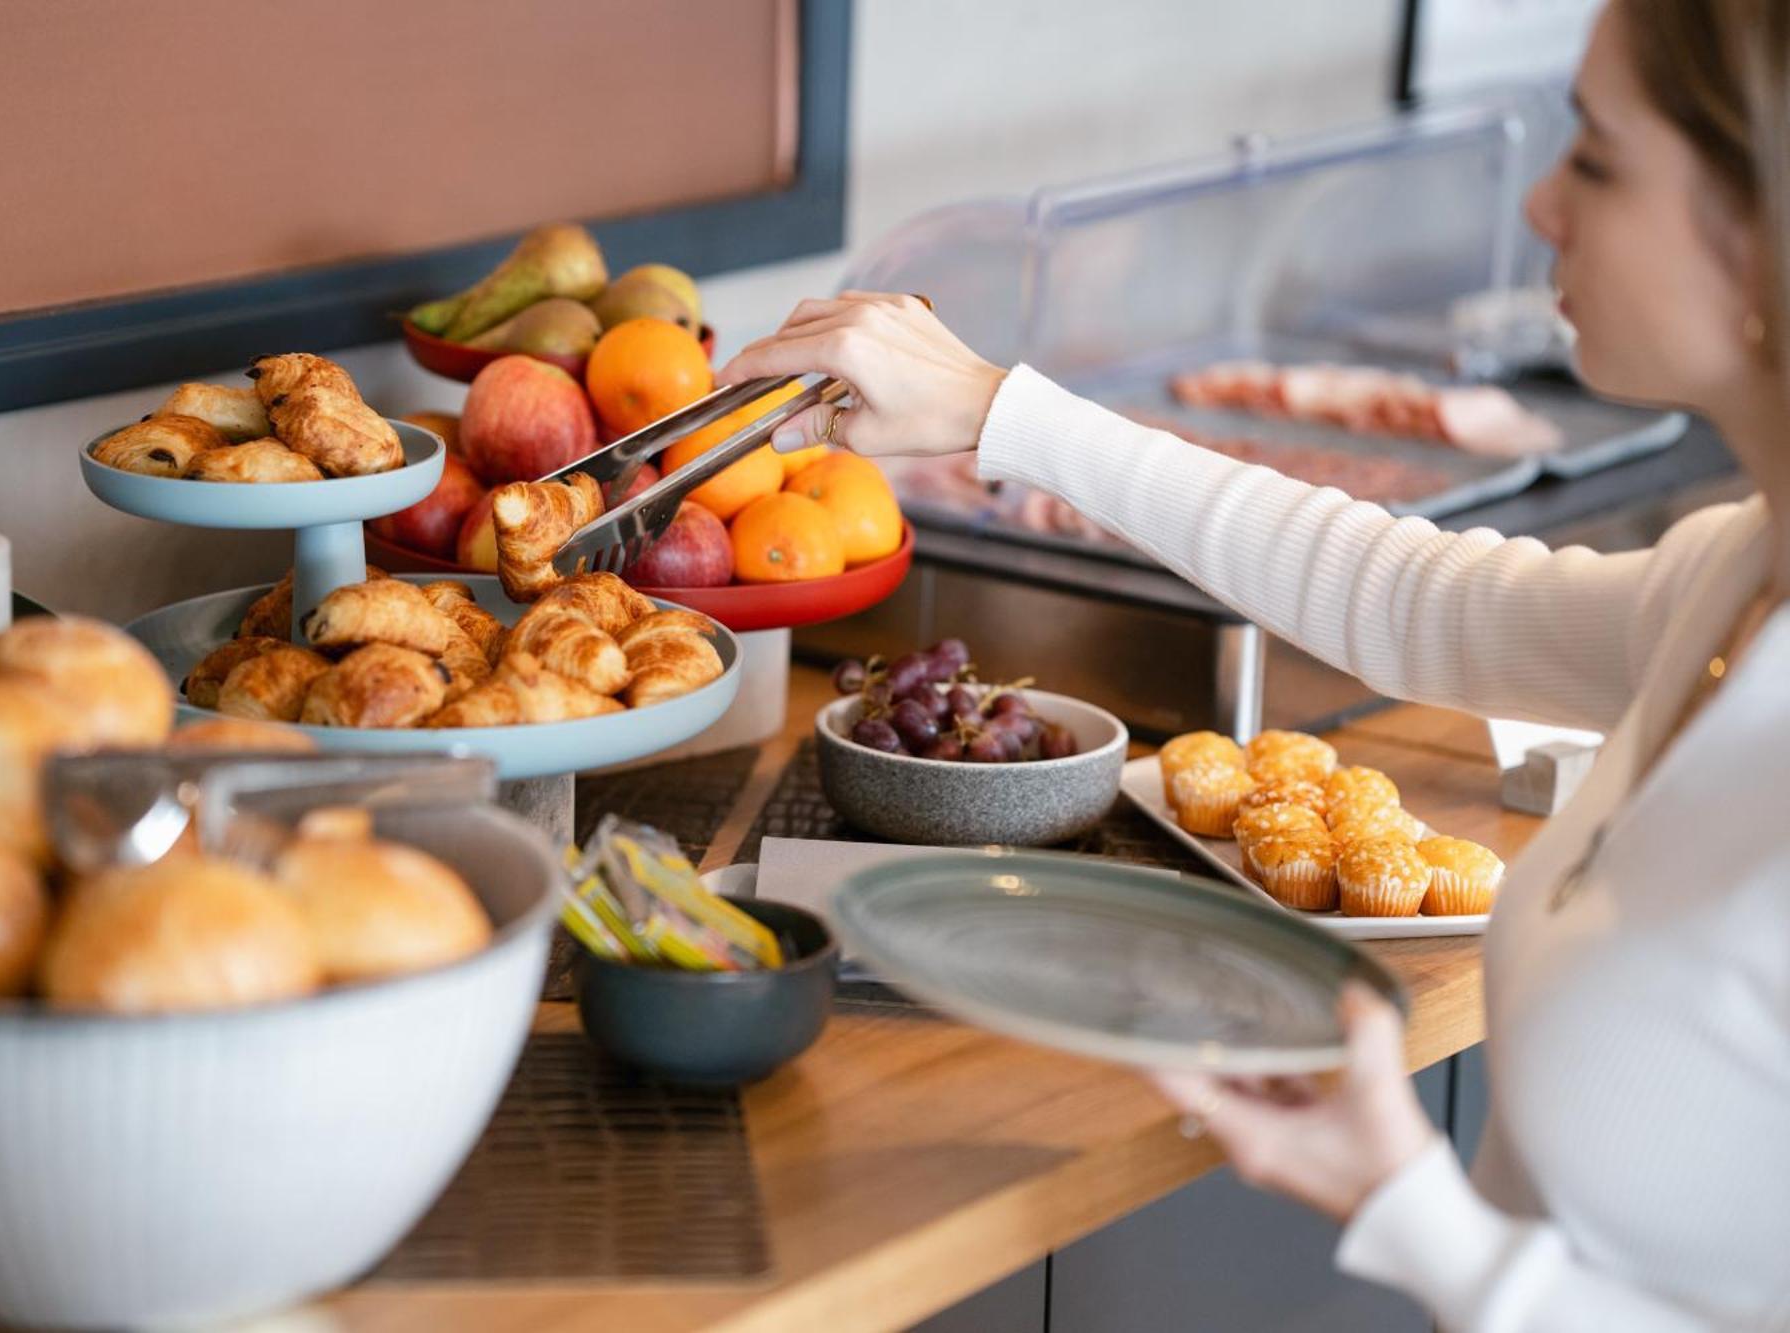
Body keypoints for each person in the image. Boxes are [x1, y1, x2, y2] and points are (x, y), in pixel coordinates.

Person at [719, 2, 1790, 1328]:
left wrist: (1420, 1216)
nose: (1541, 203)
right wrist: (1004, 414)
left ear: (1766, 240)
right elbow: (1414, 598)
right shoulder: (1738, 577)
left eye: (1600, 156)